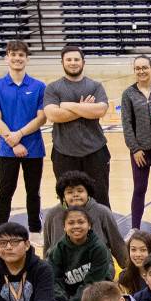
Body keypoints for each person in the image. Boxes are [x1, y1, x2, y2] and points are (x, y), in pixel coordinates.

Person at [0, 39, 47, 231]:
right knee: (5, 192)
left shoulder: (39, 86)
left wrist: (19, 135)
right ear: (6, 58)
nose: (17, 58)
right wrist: (13, 142)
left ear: (27, 59)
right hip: (7, 149)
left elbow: (42, 118)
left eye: (21, 55)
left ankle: (35, 230)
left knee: (33, 192)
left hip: (33, 148)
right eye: (13, 55)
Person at [42, 46, 112, 204]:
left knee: (100, 200)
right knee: (68, 201)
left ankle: (100, 223)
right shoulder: (53, 88)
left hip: (96, 151)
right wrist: (84, 109)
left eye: (76, 59)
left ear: (83, 62)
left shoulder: (95, 86)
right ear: (62, 62)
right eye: (68, 59)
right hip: (63, 153)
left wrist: (67, 105)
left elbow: (100, 110)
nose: (73, 63)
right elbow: (52, 115)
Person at [119, 52, 151, 230]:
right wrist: (134, 149)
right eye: (138, 68)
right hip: (140, 151)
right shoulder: (128, 94)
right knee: (139, 188)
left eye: (145, 67)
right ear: (134, 71)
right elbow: (126, 124)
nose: (141, 71)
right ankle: (135, 228)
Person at [46, 205, 115, 301]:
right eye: (71, 223)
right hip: (68, 296)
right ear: (64, 227)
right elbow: (54, 279)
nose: (76, 226)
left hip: (92, 291)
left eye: (81, 222)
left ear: (89, 225)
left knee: (102, 292)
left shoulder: (99, 248)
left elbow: (92, 284)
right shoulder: (58, 249)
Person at [39, 171, 129, 258]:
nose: (75, 195)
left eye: (80, 191)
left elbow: (118, 246)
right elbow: (48, 248)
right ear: (63, 196)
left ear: (88, 193)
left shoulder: (102, 212)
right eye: (70, 192)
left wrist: (129, 266)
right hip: (62, 265)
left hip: (98, 264)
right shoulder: (53, 214)